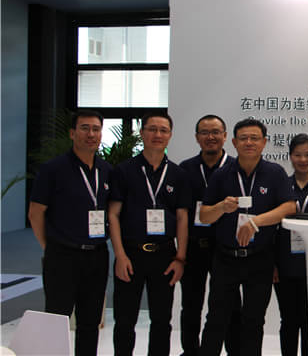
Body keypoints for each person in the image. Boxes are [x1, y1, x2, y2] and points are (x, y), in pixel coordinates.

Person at [198, 118, 296, 356]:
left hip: (259, 259)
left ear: (264, 142)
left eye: (254, 138)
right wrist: (221, 207)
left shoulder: (275, 173)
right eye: (243, 138)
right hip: (226, 259)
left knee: (254, 320)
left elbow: (289, 207)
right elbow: (204, 216)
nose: (249, 142)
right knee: (217, 319)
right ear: (233, 142)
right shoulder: (221, 175)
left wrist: (256, 221)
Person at [28, 110, 112, 356]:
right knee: (57, 319)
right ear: (72, 133)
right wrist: (49, 246)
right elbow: (35, 213)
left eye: (96, 129)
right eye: (85, 128)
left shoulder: (107, 170)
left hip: (97, 255)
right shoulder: (53, 169)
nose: (91, 134)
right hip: (62, 255)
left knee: (90, 320)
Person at [108, 111, 190, 356]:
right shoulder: (124, 171)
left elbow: (182, 218)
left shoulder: (178, 174)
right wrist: (120, 256)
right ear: (142, 133)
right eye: (152, 129)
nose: (158, 134)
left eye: (163, 130)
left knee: (162, 321)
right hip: (131, 254)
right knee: (125, 320)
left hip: (164, 255)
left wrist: (180, 258)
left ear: (170, 135)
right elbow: (113, 214)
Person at [179, 115, 240, 356]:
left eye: (215, 132)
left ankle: (234, 350)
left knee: (230, 304)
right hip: (195, 246)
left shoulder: (236, 168)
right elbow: (181, 212)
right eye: (204, 132)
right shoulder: (185, 169)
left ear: (225, 136)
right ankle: (191, 351)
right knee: (191, 304)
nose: (210, 137)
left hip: (224, 247)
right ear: (197, 137)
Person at [273, 134, 308, 356]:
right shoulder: (281, 186)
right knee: (288, 320)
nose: (303, 160)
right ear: (290, 156)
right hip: (285, 265)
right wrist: (273, 264)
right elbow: (271, 229)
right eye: (298, 155)